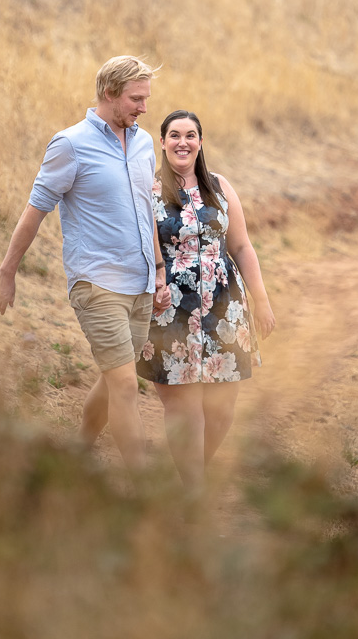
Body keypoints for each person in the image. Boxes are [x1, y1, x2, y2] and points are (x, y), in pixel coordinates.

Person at [0, 55, 169, 473]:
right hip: (97, 282)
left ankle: (75, 455)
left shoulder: (142, 144)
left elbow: (146, 211)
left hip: (141, 284)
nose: (144, 107)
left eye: (145, 98)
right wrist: (7, 272)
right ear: (109, 93)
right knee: (125, 384)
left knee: (112, 381)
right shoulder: (70, 144)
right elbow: (35, 210)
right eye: (136, 98)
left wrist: (158, 269)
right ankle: (144, 492)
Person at [136, 109, 276, 491]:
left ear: (200, 142)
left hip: (224, 305)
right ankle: (194, 493)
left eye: (191, 135)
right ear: (162, 142)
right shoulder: (147, 190)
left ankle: (191, 476)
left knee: (221, 411)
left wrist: (260, 299)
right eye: (175, 135)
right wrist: (153, 286)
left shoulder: (219, 186)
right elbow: (140, 251)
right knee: (184, 410)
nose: (183, 142)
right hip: (170, 310)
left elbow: (242, 246)